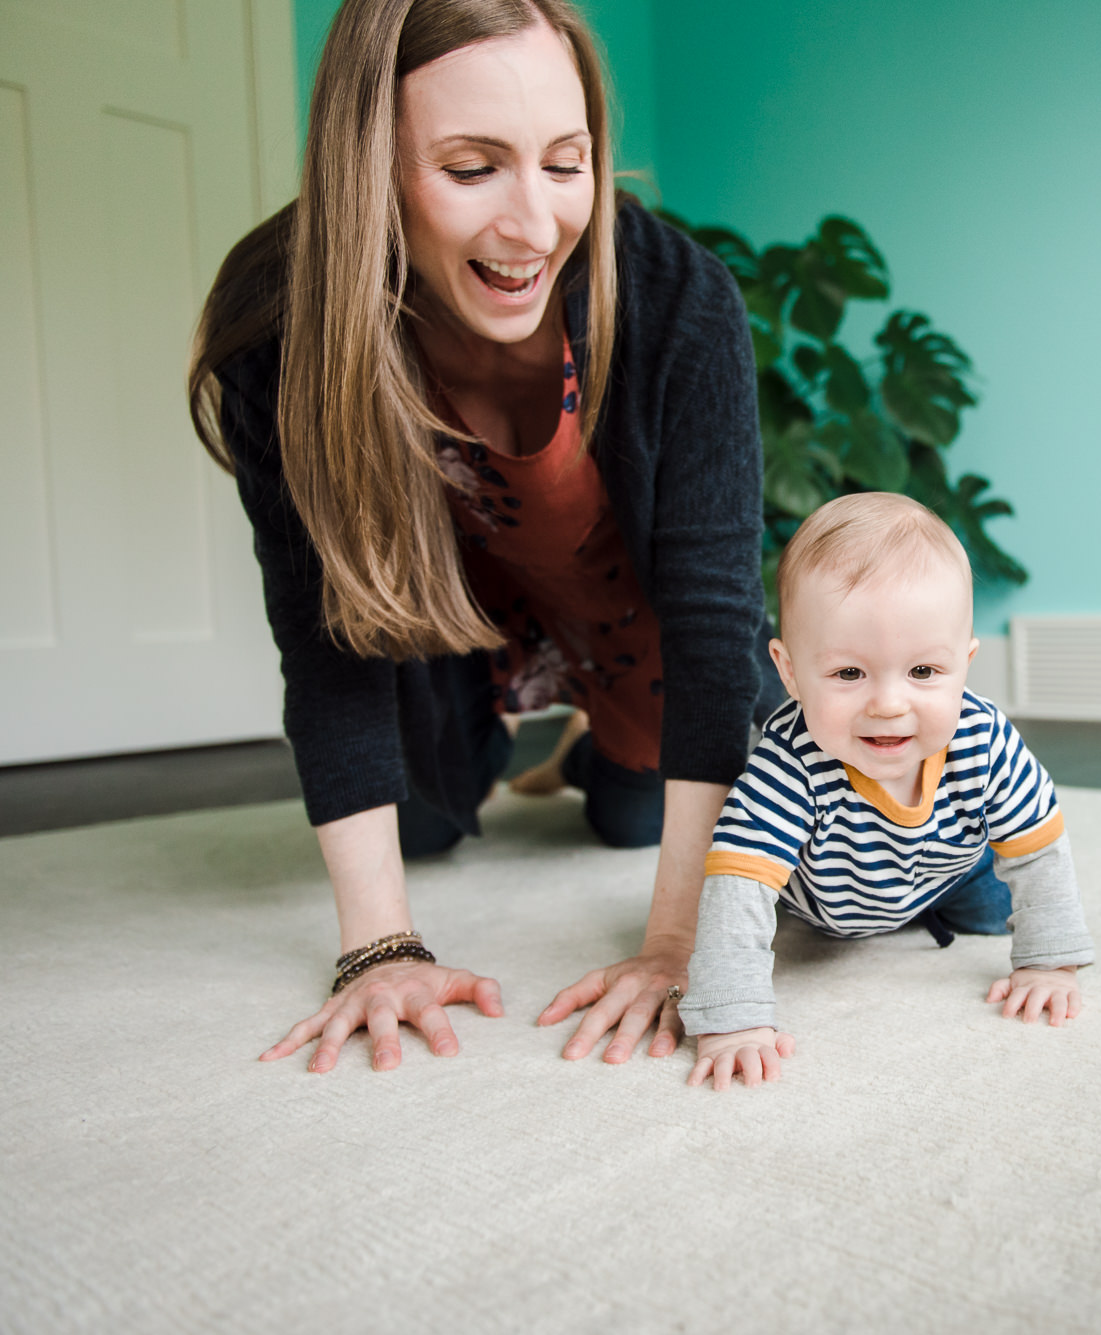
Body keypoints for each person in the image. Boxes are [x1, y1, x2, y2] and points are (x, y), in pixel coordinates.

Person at [186, 0, 777, 1073]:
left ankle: (588, 746)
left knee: (637, 818)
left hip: (627, 618)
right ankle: (502, 734)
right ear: (366, 170)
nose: (533, 225)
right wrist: (379, 946)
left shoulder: (680, 301)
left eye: (565, 163)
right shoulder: (278, 321)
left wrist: (679, 942)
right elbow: (321, 639)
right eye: (470, 170)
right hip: (441, 621)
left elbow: (713, 620)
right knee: (417, 826)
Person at [680, 493, 1095, 1091]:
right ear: (789, 671)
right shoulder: (789, 762)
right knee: (759, 923)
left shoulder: (984, 738)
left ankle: (934, 906)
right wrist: (734, 1019)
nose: (889, 704)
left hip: (950, 868)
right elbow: (736, 888)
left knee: (1004, 913)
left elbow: (1038, 850)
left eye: (924, 672)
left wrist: (1049, 966)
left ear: (965, 664)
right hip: (823, 896)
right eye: (849, 673)